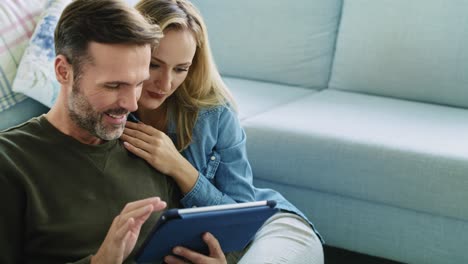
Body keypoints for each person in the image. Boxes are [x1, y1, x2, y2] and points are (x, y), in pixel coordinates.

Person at [0, 0, 227, 263]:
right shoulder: (10, 162)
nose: (131, 104)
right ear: (63, 71)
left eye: (139, 83)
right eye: (114, 85)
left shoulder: (150, 149)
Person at [120, 0, 324, 263]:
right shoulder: (110, 113)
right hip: (193, 247)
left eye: (181, 68)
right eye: (154, 64)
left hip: (267, 230)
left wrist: (179, 167)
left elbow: (242, 214)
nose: (166, 83)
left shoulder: (213, 114)